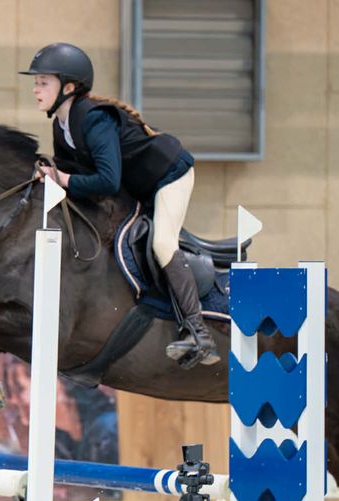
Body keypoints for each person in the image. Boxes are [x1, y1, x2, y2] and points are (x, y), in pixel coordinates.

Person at [20, 42, 219, 368]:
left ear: (68, 87)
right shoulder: (61, 124)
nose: (35, 88)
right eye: (36, 82)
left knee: (162, 242)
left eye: (43, 82)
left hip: (168, 175)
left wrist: (62, 179)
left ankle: (198, 332)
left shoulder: (94, 120)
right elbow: (67, 173)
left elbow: (106, 181)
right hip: (137, 186)